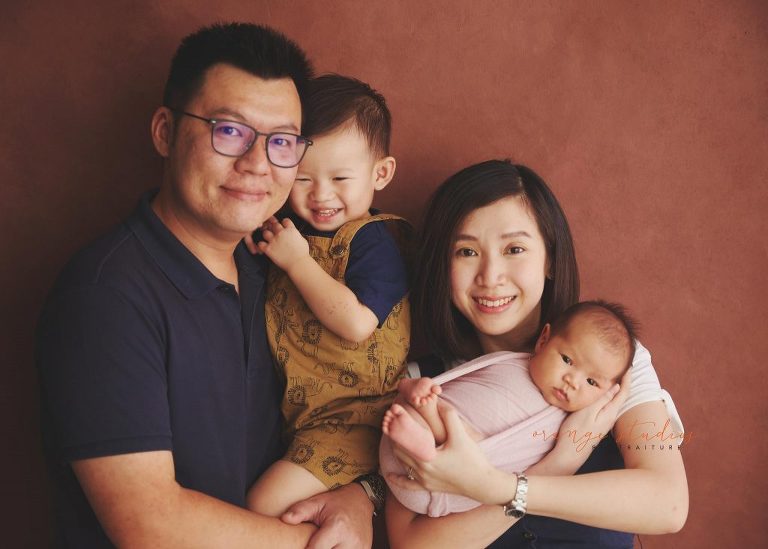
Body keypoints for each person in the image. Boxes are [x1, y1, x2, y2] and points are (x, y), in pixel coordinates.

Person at [36, 23, 377, 548]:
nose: (257, 164)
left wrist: (361, 498)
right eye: (230, 131)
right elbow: (151, 526)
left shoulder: (280, 273)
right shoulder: (105, 296)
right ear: (165, 132)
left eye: (282, 142)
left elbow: (345, 408)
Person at [384, 160, 688, 548]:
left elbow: (667, 504)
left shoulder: (615, 364)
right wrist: (557, 465)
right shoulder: (425, 384)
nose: (490, 276)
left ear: (549, 259)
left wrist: (497, 487)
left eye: (514, 249)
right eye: (465, 251)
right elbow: (413, 545)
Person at [244, 74, 411, 516]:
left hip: (357, 420)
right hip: (299, 416)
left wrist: (298, 262)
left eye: (340, 177)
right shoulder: (287, 228)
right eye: (302, 179)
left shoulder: (373, 242)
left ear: (381, 173)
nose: (321, 195)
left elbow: (358, 324)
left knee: (265, 503)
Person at [380, 300, 637, 518]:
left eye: (592, 382)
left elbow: (507, 467)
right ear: (544, 340)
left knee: (464, 435)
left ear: (608, 393)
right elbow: (461, 381)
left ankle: (426, 435)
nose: (573, 381)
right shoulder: (513, 361)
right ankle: (414, 395)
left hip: (443, 480)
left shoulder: (560, 423)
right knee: (430, 397)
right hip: (404, 435)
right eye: (567, 360)